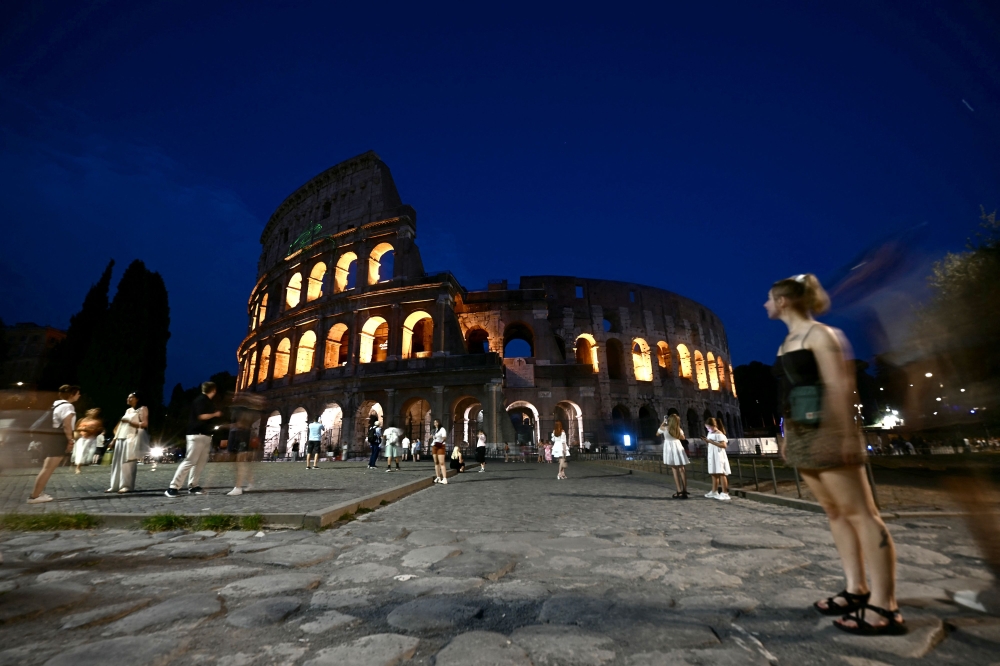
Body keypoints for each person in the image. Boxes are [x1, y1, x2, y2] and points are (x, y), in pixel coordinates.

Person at [767, 273, 904, 635]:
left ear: (783, 301)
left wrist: (846, 435)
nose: (764, 305)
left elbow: (840, 387)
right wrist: (785, 433)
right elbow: (788, 392)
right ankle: (857, 587)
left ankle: (886, 605)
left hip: (828, 428)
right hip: (801, 430)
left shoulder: (822, 335)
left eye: (769, 298)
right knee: (834, 512)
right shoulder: (786, 344)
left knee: (862, 515)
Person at [166, 381, 221, 498]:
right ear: (214, 390)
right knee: (190, 461)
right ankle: (173, 487)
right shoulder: (201, 400)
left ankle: (193, 485)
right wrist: (215, 414)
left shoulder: (208, 401)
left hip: (206, 435)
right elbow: (201, 416)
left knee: (200, 463)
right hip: (196, 434)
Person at [27, 385, 79, 504]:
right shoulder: (68, 406)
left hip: (52, 437)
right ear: (72, 394)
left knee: (47, 468)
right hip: (59, 438)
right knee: (48, 468)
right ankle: (34, 496)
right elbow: (67, 425)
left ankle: (37, 493)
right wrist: (70, 440)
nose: (79, 395)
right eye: (78, 393)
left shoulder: (56, 404)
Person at [108, 393, 148, 494]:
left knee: (128, 463)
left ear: (137, 399)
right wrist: (114, 439)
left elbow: (144, 424)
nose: (128, 399)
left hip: (131, 438)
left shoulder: (142, 409)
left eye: (131, 397)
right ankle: (115, 485)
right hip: (121, 437)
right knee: (117, 463)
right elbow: (121, 426)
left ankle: (126, 485)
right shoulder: (128, 410)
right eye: (128, 397)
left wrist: (129, 422)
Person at [226, 405, 256, 496]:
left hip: (240, 437)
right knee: (242, 464)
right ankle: (250, 483)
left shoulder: (241, 411)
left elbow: (241, 424)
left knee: (240, 463)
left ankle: (238, 487)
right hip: (237, 436)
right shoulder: (239, 409)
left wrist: (224, 426)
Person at [657, 414, 689, 498]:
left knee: (675, 470)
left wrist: (663, 423)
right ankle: (685, 490)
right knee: (682, 469)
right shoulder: (679, 429)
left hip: (669, 448)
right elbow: (683, 438)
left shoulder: (664, 428)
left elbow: (657, 433)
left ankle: (679, 491)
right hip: (678, 446)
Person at [705, 418, 730, 500]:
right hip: (712, 454)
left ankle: (725, 492)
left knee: (721, 473)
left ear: (714, 426)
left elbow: (724, 445)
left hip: (718, 455)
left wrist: (711, 442)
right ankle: (714, 491)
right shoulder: (709, 433)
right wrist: (706, 441)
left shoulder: (719, 434)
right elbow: (710, 442)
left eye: (708, 427)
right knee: (713, 473)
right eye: (707, 428)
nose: (708, 429)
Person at [73, 408, 103, 474]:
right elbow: (77, 428)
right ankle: (78, 467)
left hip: (92, 438)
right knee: (81, 451)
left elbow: (98, 429)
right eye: (93, 411)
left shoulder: (98, 421)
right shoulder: (82, 420)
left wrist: (91, 430)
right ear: (88, 412)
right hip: (82, 437)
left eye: (96, 412)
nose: (94, 412)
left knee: (90, 453)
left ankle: (84, 463)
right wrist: (84, 429)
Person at [431, 418, 449, 484]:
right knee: (436, 462)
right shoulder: (434, 430)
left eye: (436, 422)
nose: (435, 423)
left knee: (441, 462)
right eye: (434, 422)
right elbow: (432, 436)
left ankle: (444, 478)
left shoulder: (442, 429)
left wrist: (441, 441)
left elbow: (444, 437)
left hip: (440, 446)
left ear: (439, 423)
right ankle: (438, 477)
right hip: (434, 445)